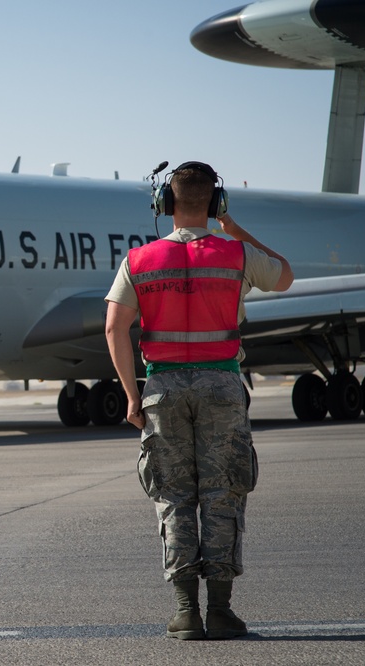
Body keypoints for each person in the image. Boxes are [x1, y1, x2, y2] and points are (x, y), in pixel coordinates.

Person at [104, 161, 293, 641]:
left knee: (173, 495)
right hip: (222, 386)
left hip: (163, 388)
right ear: (216, 203)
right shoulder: (234, 254)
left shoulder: (139, 260)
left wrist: (132, 395)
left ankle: (186, 611)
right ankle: (222, 611)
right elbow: (285, 276)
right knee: (223, 492)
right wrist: (235, 229)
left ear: (165, 204)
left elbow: (114, 327)